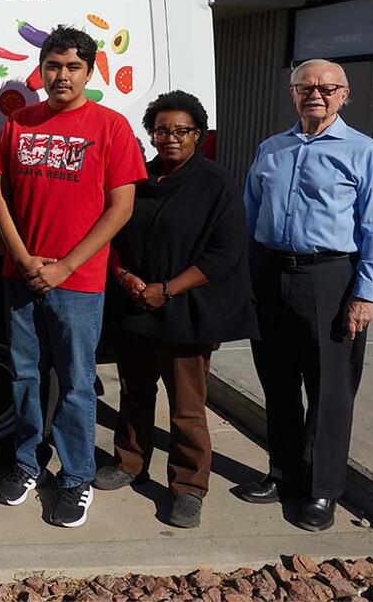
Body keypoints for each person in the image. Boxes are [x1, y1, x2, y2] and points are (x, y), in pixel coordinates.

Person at [0, 24, 146, 527]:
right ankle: (27, 462)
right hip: (22, 276)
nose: (62, 75)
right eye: (53, 66)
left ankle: (77, 475)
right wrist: (23, 257)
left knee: (77, 383)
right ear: (41, 70)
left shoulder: (110, 127)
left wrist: (65, 266)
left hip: (78, 283)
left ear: (89, 71)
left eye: (73, 67)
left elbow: (121, 208)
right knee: (25, 376)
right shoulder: (19, 124)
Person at [240, 59, 373, 532]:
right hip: (271, 273)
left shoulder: (366, 153)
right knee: (278, 381)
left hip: (330, 278)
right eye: (306, 86)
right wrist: (243, 279)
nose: (316, 94)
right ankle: (284, 473)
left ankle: (322, 489)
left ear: (344, 96)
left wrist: (365, 293)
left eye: (328, 88)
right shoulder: (271, 149)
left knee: (330, 390)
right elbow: (250, 216)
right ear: (292, 93)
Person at [95, 90, 257, 529]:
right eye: (161, 130)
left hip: (187, 311)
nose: (170, 138)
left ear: (198, 135)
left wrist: (167, 290)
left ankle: (188, 487)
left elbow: (225, 252)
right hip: (136, 306)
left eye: (180, 131)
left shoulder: (215, 183)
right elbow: (112, 233)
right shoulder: (140, 179)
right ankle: (129, 463)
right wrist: (125, 277)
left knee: (186, 408)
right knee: (135, 394)